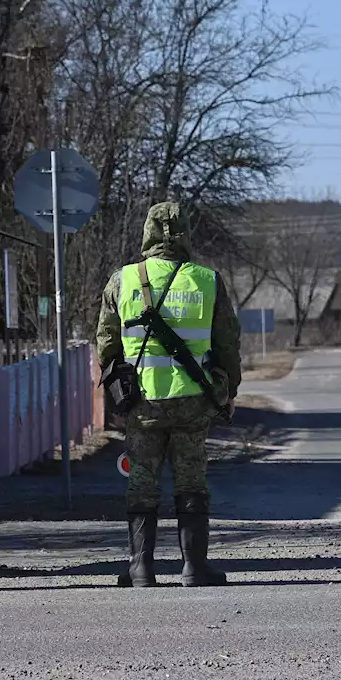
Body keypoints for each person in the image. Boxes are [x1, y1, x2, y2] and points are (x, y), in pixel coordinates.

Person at [95, 201, 242, 587]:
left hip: (142, 400)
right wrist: (231, 390)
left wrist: (117, 386)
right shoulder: (208, 280)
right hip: (194, 398)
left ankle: (141, 568)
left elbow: (106, 344)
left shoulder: (122, 280)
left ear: (147, 232)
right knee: (191, 481)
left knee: (141, 481)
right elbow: (227, 343)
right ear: (186, 235)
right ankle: (194, 567)